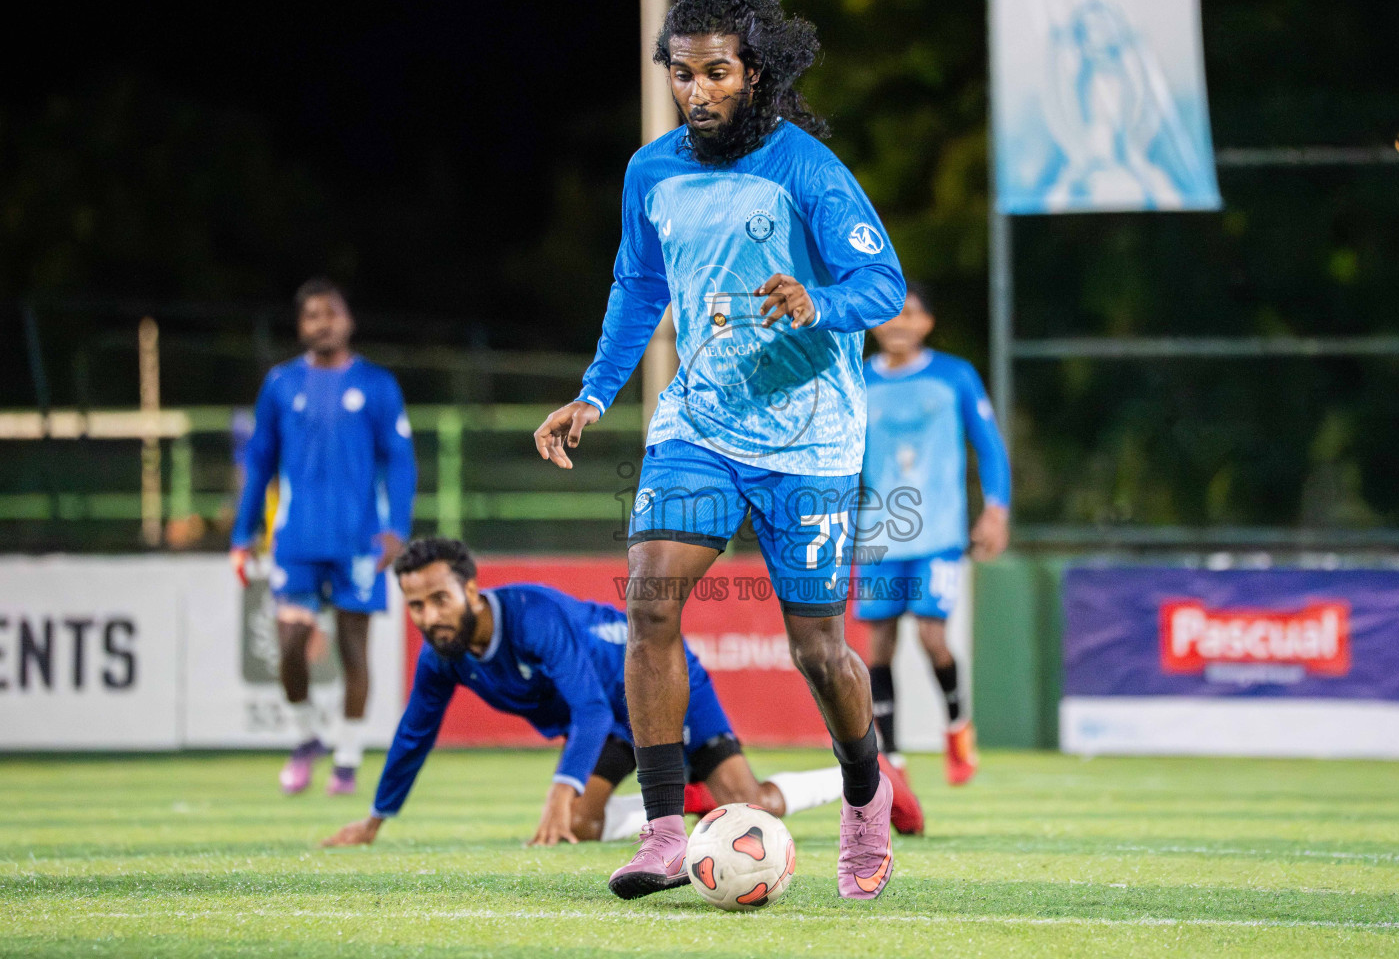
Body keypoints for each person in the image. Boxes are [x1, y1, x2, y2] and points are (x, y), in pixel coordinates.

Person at [533, 0, 911, 900]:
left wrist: (818, 301)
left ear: (756, 74)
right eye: (682, 73)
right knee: (652, 603)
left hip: (812, 439)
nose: (697, 91)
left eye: (717, 72)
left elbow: (884, 286)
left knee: (819, 651)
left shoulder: (809, 170)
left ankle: (867, 796)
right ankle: (666, 829)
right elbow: (639, 289)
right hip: (699, 423)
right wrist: (592, 393)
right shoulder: (650, 171)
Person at [320, 538, 914, 850]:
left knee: (750, 806)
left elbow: (589, 708)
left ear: (472, 590)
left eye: (438, 600)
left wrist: (560, 788)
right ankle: (692, 804)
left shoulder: (532, 615)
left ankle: (868, 775)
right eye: (415, 606)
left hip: (664, 685)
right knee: (579, 825)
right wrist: (378, 816)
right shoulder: (442, 656)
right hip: (614, 722)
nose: (427, 616)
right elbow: (414, 734)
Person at [229, 279, 416, 796]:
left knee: (355, 651)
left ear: (348, 320)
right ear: (301, 326)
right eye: (311, 315)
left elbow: (400, 462)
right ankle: (308, 736)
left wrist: (396, 529)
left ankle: (348, 760)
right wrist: (242, 535)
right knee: (289, 647)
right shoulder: (281, 385)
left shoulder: (376, 385)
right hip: (296, 538)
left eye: (330, 313)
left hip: (361, 542)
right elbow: (260, 462)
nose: (322, 323)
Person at [858, 284, 1011, 786]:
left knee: (931, 635)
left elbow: (989, 446)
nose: (899, 323)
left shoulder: (954, 375)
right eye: (889, 314)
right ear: (874, 321)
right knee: (879, 643)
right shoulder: (857, 380)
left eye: (911, 313)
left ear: (928, 323)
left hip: (940, 533)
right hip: (878, 534)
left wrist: (996, 509)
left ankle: (957, 727)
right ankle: (892, 759)